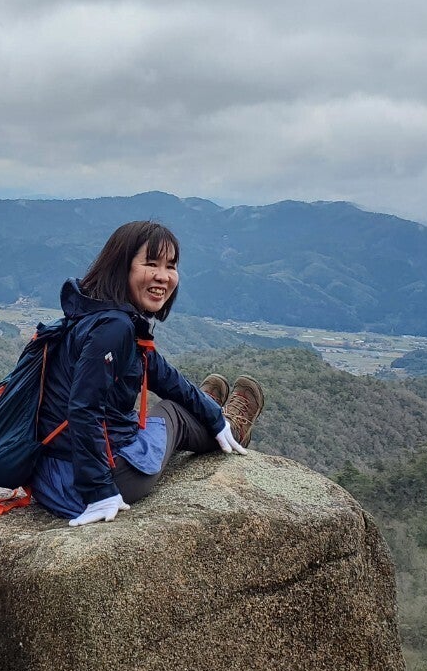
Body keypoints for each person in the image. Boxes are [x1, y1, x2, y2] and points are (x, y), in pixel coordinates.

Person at [30, 220, 265, 527]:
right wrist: (100, 491)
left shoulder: (92, 311)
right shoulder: (114, 328)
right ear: (122, 266)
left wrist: (208, 413)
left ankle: (209, 412)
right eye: (151, 264)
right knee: (172, 413)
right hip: (95, 481)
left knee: (179, 405)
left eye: (171, 266)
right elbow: (83, 409)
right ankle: (234, 429)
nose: (163, 276)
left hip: (52, 473)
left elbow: (160, 373)